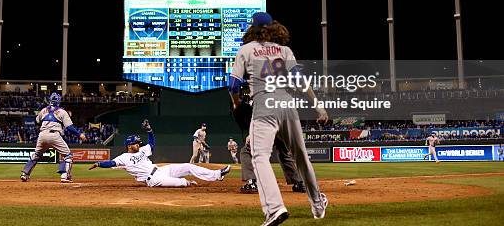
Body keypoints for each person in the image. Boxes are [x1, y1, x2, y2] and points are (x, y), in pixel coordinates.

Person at [229, 12, 329, 224]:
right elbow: (300, 82)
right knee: (301, 156)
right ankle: (318, 203)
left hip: (264, 106)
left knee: (260, 157)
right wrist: (318, 107)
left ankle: (275, 208)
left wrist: (236, 103)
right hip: (287, 104)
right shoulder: (285, 50)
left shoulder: (245, 50)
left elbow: (233, 85)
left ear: (253, 28)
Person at [89, 119, 230, 187]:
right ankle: (187, 183)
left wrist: (149, 130)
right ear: (129, 146)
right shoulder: (124, 157)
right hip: (154, 180)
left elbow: (151, 143)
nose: (139, 144)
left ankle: (217, 174)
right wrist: (99, 163)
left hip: (161, 170)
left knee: (189, 166)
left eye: (139, 142)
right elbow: (112, 163)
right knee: (182, 183)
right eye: (136, 143)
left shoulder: (143, 150)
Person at [20, 92, 86, 183]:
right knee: (68, 156)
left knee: (36, 155)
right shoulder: (62, 112)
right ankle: (65, 176)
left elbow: (37, 121)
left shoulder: (43, 110)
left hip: (42, 135)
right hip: (54, 135)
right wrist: (80, 135)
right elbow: (70, 127)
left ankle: (25, 174)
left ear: (50, 100)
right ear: (59, 101)